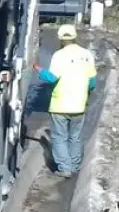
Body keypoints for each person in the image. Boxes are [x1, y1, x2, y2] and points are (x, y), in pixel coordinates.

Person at [37, 24, 97, 177]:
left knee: (59, 137)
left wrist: (39, 70)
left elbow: (51, 78)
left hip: (60, 105)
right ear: (75, 37)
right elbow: (92, 82)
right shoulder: (87, 55)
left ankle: (65, 168)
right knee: (75, 137)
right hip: (79, 105)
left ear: (60, 39)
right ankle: (75, 165)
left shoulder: (59, 55)